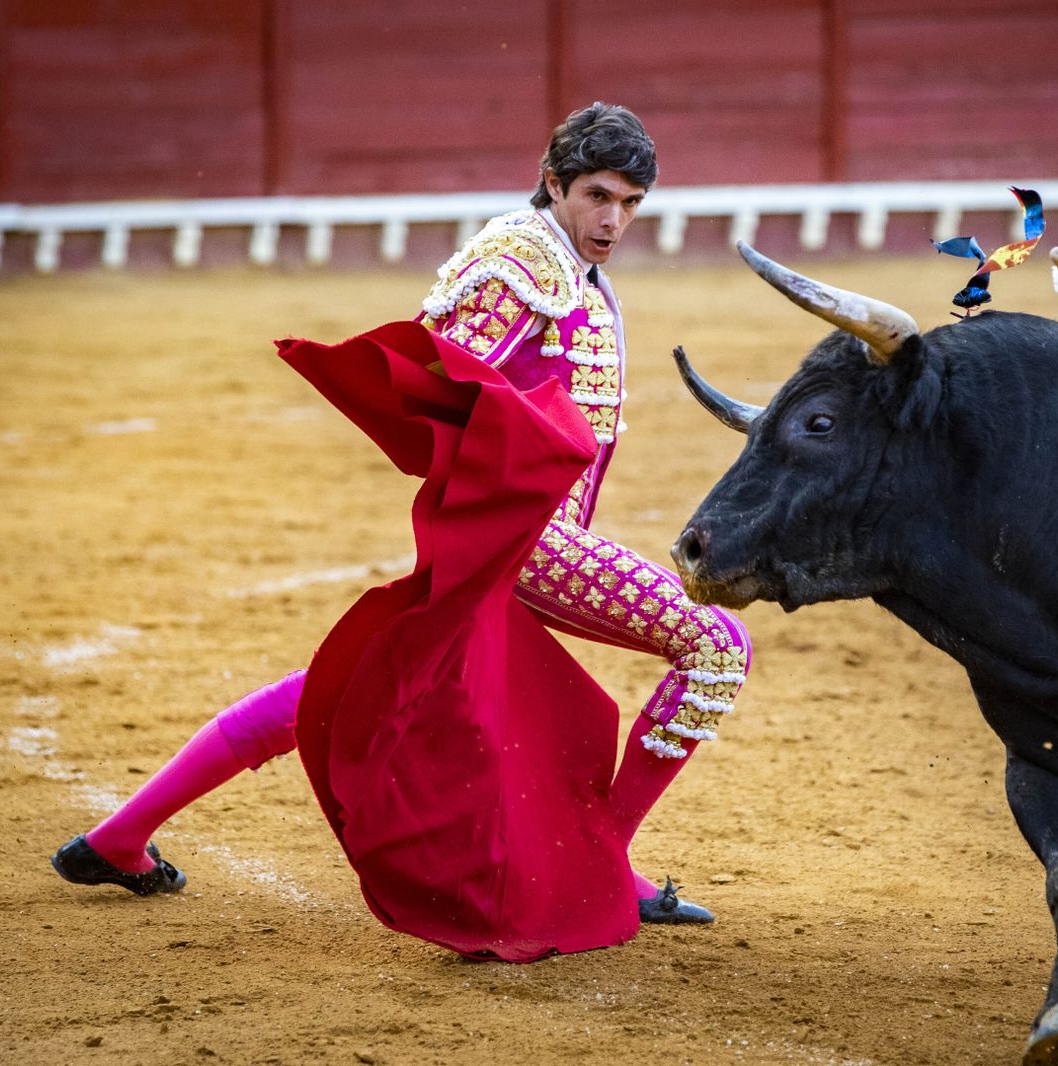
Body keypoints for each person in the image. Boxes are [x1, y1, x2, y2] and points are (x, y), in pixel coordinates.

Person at [51, 103, 753, 958]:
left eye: (631, 202)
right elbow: (449, 377)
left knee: (352, 691)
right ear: (555, 182)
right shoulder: (519, 260)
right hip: (526, 539)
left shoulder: (563, 260)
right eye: (599, 195)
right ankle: (603, 858)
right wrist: (503, 485)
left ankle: (120, 837)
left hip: (519, 531)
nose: (614, 219)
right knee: (716, 646)